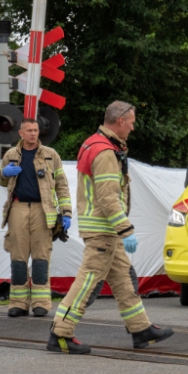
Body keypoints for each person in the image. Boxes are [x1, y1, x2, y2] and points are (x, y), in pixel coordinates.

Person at [48, 102, 174, 353]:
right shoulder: (105, 152)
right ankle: (60, 334)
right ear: (119, 121)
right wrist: (125, 229)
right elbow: (108, 197)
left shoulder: (96, 144)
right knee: (87, 282)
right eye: (131, 122)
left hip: (104, 230)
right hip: (103, 231)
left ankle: (140, 329)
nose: (133, 127)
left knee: (124, 280)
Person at [0, 118, 71, 318]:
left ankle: (41, 303)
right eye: (29, 130)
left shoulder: (50, 155)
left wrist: (66, 213)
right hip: (18, 208)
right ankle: (18, 303)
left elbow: (62, 186)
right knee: (18, 258)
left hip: (43, 210)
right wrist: (4, 173)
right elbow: (1, 180)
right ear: (21, 133)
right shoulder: (11, 154)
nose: (33, 133)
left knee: (41, 258)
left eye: (35, 130)